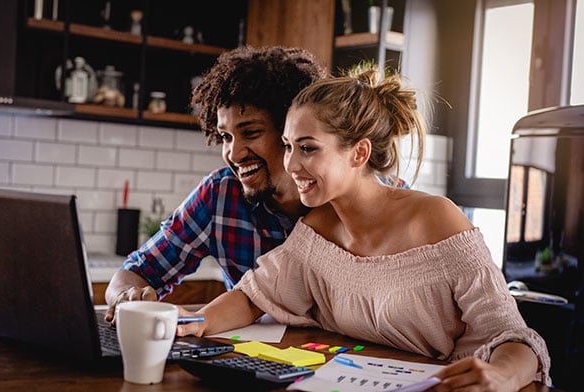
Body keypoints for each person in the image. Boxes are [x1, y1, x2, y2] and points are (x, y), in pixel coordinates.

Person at [176, 63, 551, 391]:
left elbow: (514, 338)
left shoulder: (437, 219)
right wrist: (194, 322)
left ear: (359, 153)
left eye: (308, 148)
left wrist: (501, 376)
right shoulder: (318, 227)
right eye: (288, 146)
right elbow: (253, 297)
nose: (291, 164)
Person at [104, 46, 327, 322]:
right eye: (225, 137)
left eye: (251, 133)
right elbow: (135, 272)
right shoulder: (220, 195)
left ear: (291, 131)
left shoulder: (342, 195)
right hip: (254, 360)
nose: (233, 154)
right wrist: (126, 296)